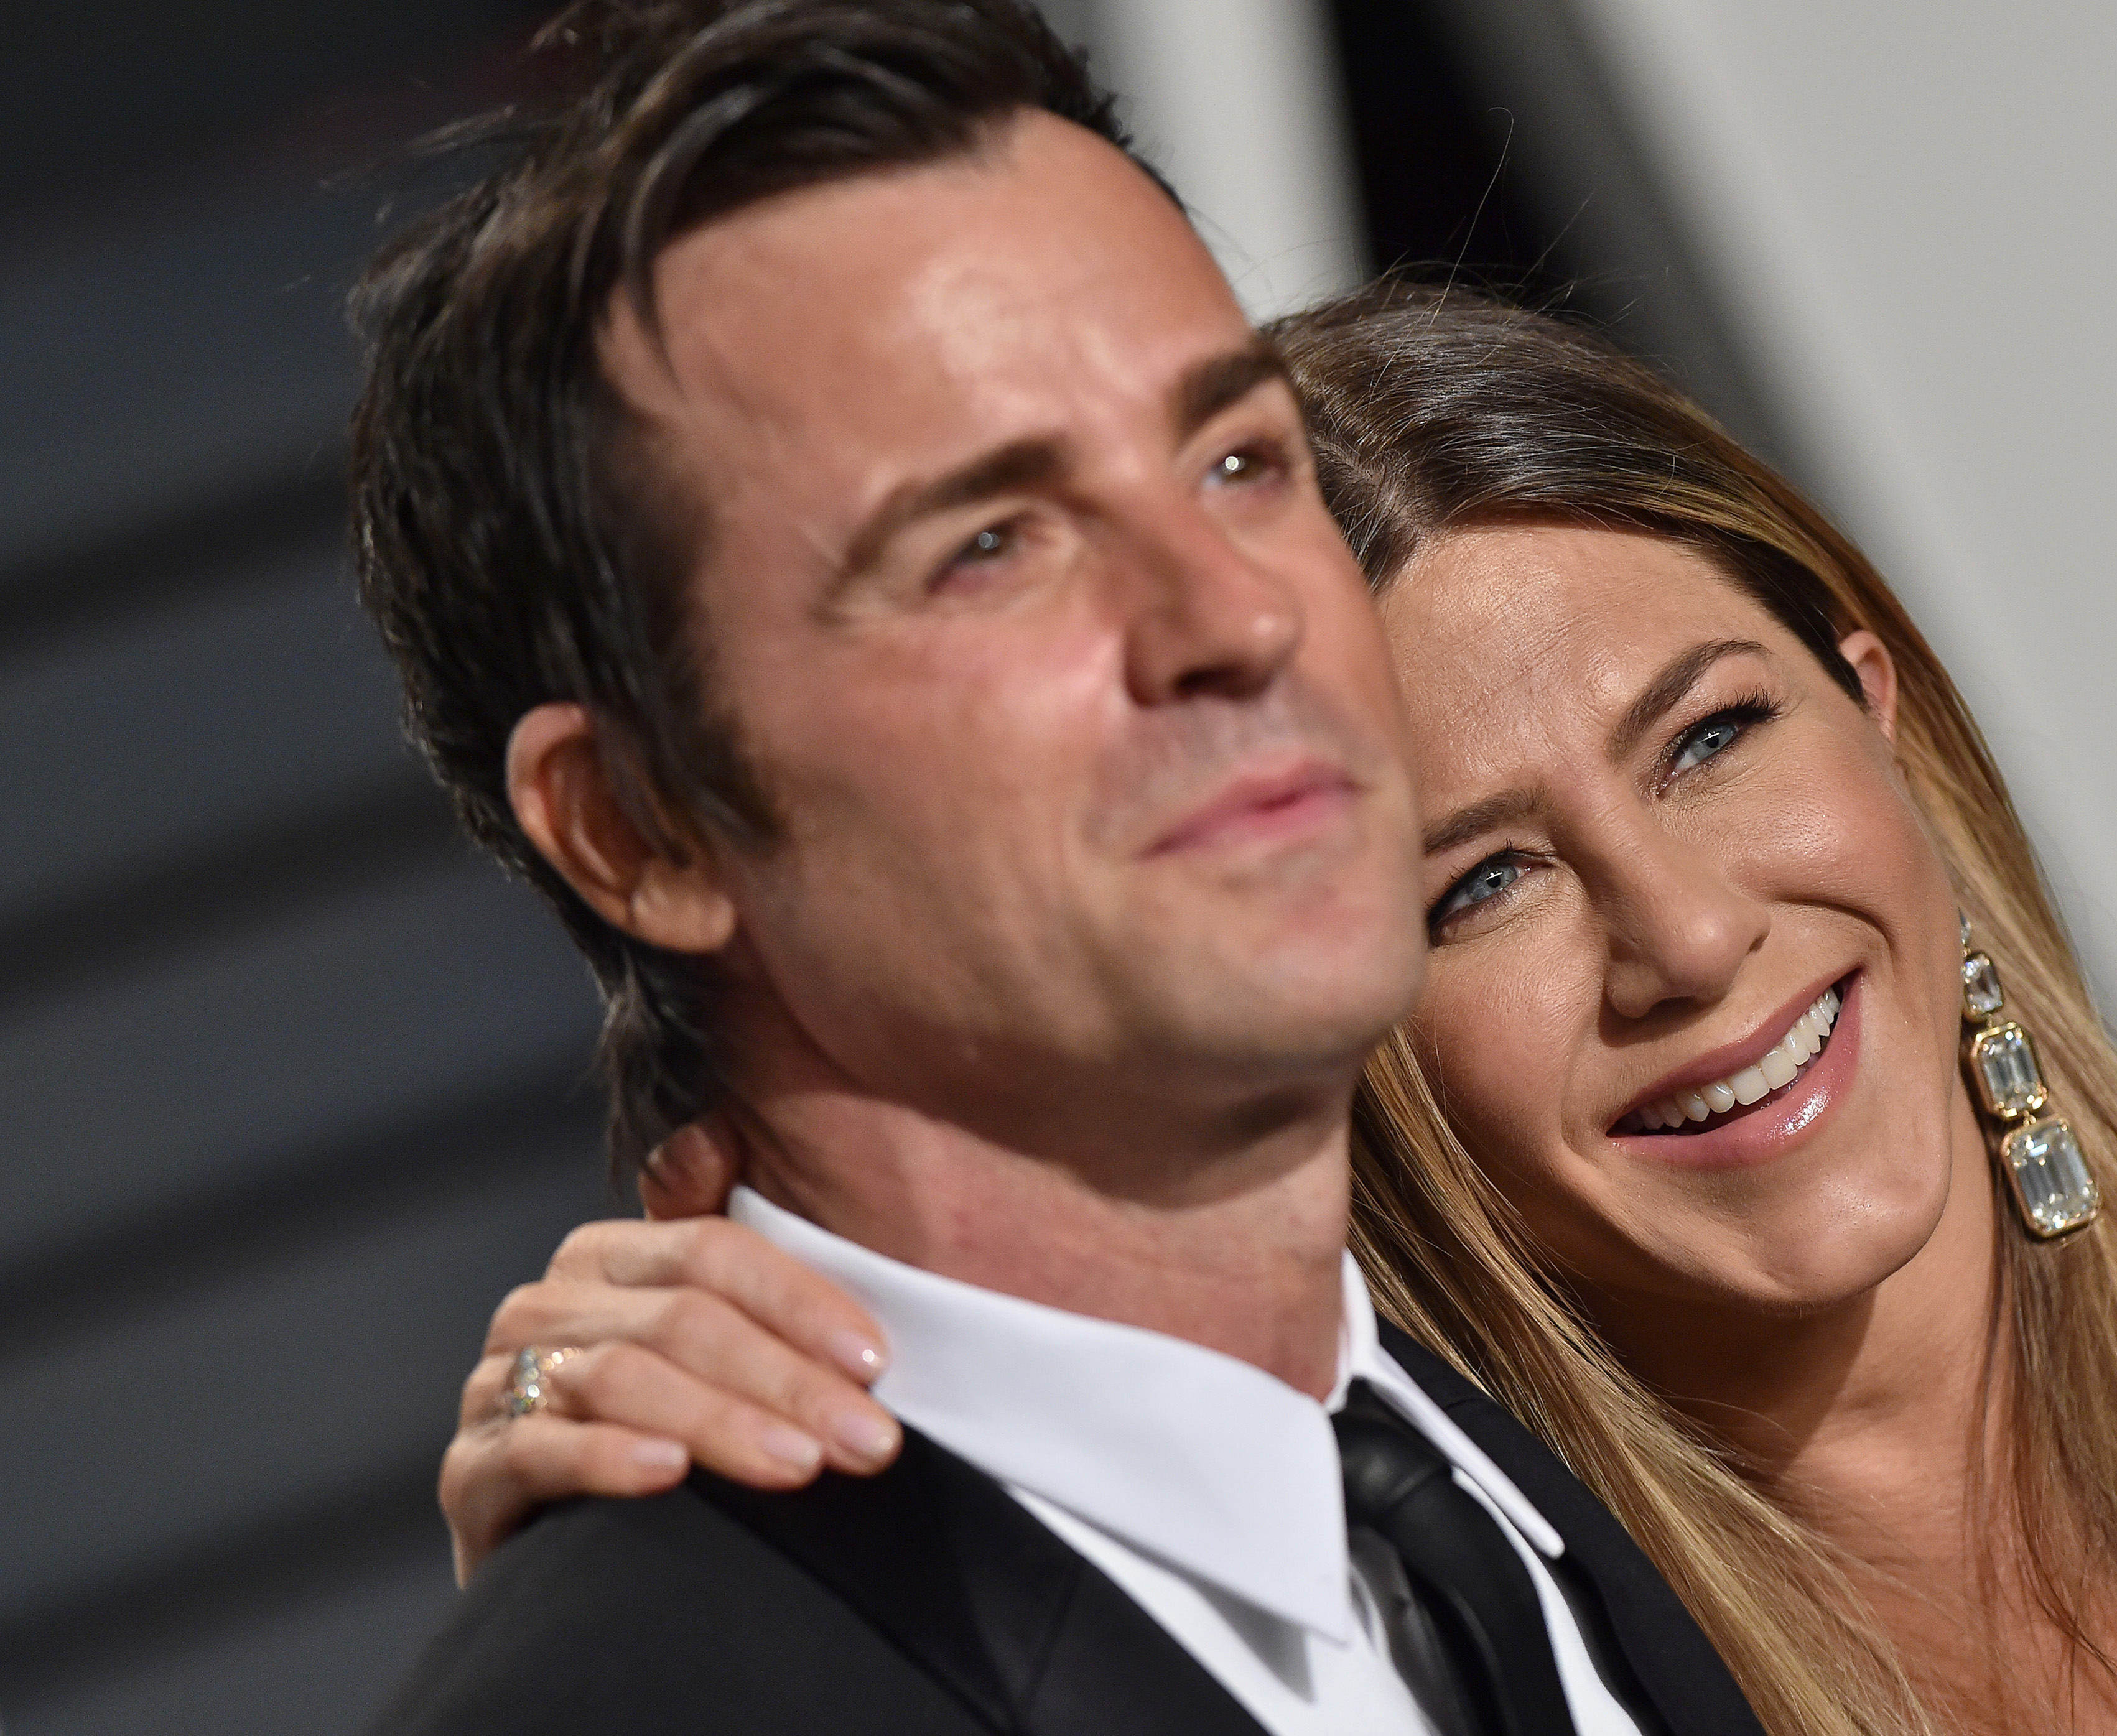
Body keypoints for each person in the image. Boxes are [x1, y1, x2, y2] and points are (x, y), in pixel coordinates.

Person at [438, 275, 2117, 1736]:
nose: (1679, 936)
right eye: (1478, 881)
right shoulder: (1446, 1671)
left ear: (1884, 717)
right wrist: (680, 1551)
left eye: (1710, 739)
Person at [346, 4, 1765, 1734]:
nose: (1233, 616)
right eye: (992, 546)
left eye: (1240, 461)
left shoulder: (1543, 1468)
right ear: (645, 825)